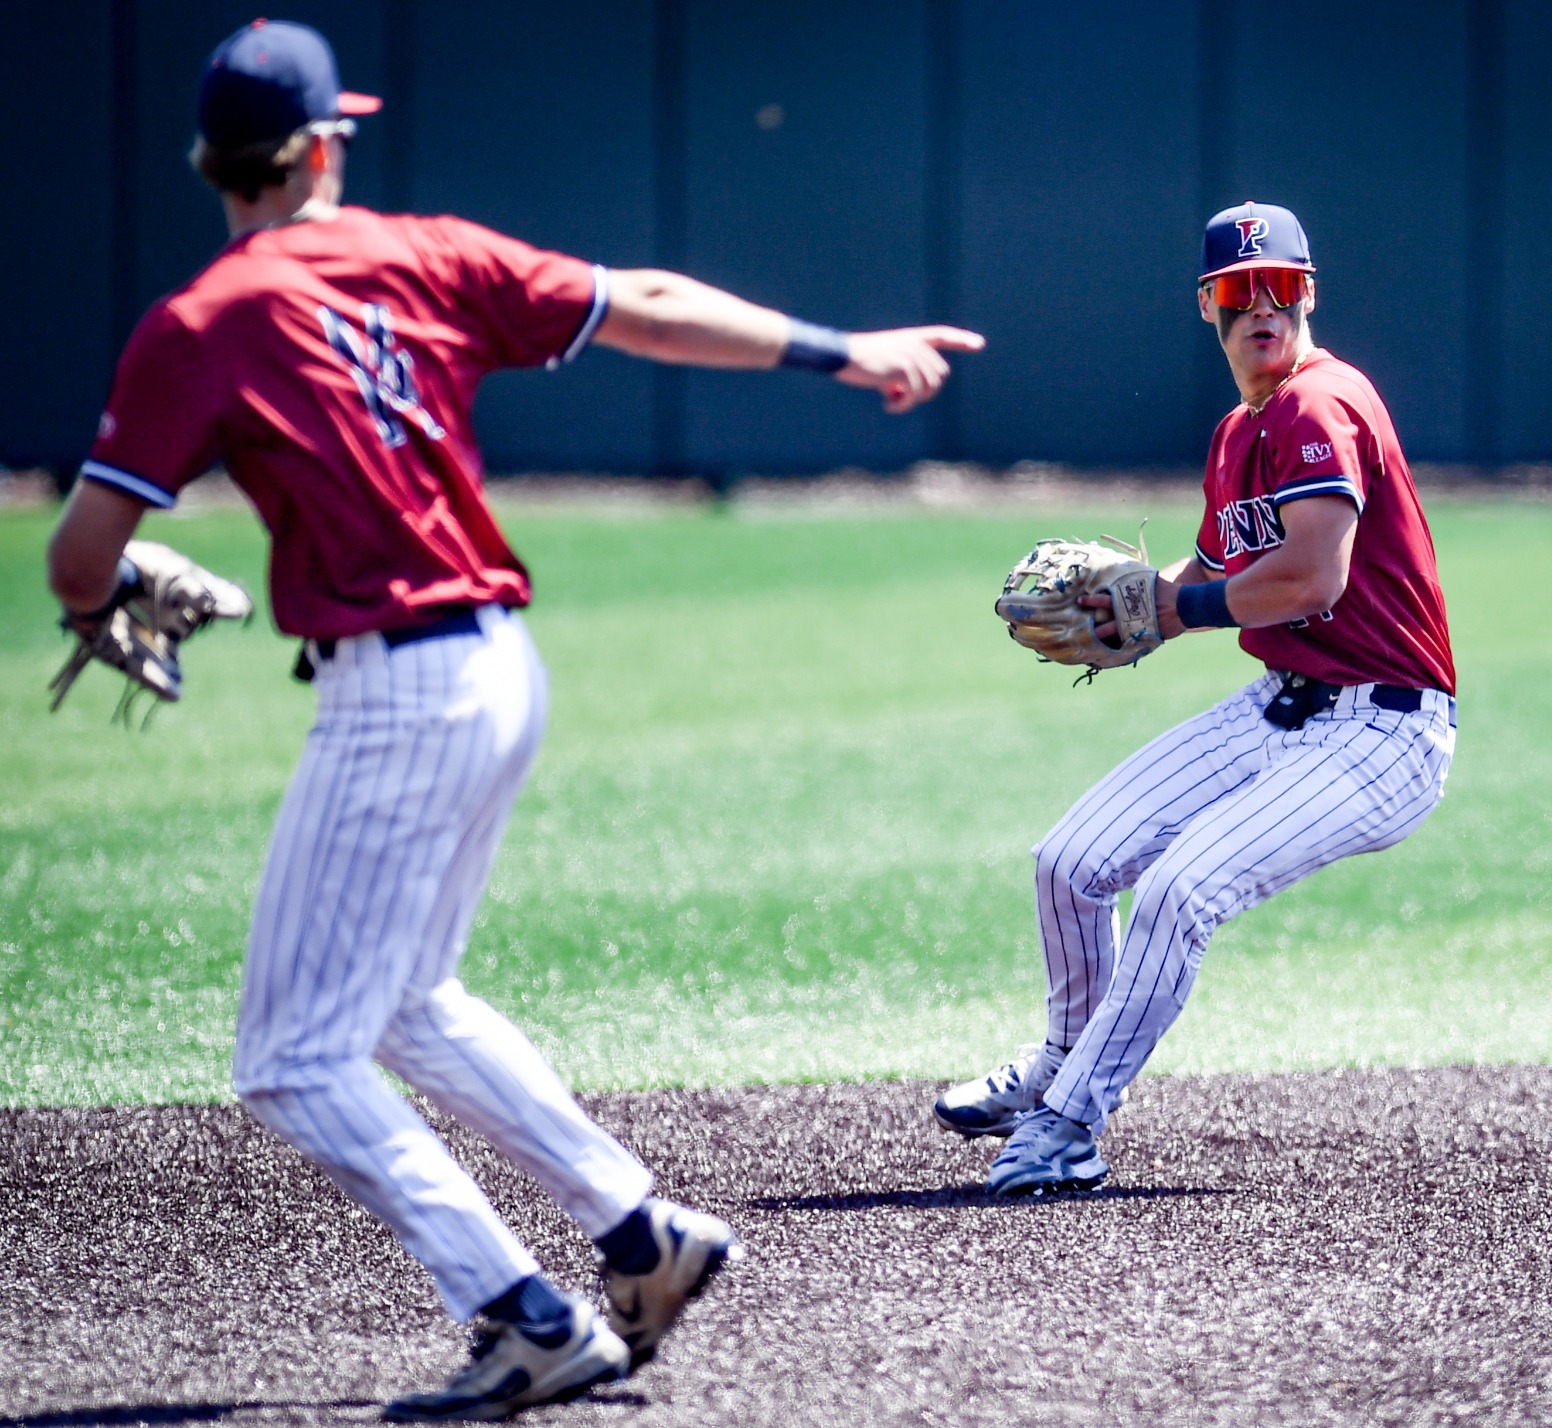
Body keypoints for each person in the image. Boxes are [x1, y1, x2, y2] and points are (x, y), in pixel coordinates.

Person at [46, 20, 983, 1421]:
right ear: (322, 148)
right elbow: (649, 298)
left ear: (211, 166)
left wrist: (107, 590)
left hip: (396, 692)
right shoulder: (419, 253)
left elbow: (79, 556)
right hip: (497, 670)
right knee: (406, 1003)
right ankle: (638, 1235)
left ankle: (524, 1315)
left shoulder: (196, 326)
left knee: (293, 1060)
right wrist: (843, 352)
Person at [935, 201, 1455, 1196]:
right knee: (1068, 864)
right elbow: (1219, 561)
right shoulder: (1236, 430)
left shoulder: (1320, 403)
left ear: (1306, 295)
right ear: (1207, 309)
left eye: (1280, 288)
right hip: (1281, 705)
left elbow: (1310, 582)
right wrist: (1135, 599)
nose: (1261, 308)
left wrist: (1171, 615)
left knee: (1180, 891)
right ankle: (1064, 1056)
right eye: (1236, 292)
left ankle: (1066, 1124)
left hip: (1384, 733)